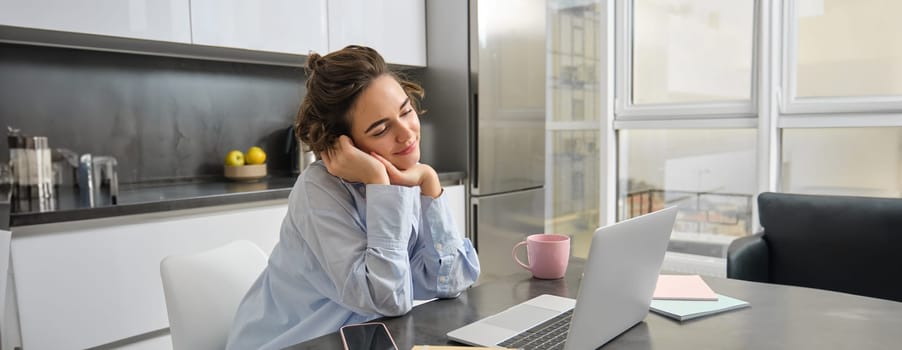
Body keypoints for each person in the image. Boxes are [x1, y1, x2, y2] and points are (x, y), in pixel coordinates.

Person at [225, 45, 481, 350]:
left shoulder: (404, 175)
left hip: (363, 340)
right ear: (345, 142)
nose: (406, 133)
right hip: (295, 343)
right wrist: (378, 182)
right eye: (381, 128)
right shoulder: (319, 191)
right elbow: (389, 300)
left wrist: (429, 181)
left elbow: (451, 281)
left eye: (406, 111)